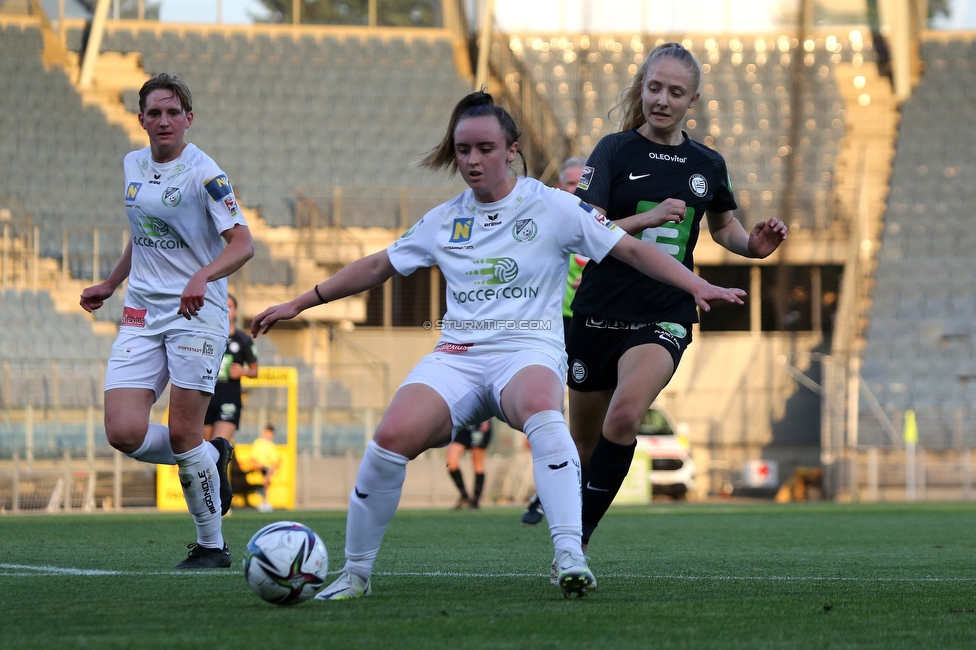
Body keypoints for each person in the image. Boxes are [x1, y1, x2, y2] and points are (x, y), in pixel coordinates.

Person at [251, 90, 744, 600]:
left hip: (529, 349)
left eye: (484, 148)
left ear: (511, 149)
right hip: (457, 356)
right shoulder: (445, 219)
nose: (471, 160)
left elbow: (633, 252)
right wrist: (301, 302)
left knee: (542, 410)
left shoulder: (554, 206)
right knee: (390, 436)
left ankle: (571, 556)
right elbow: (379, 264)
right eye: (463, 150)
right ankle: (354, 575)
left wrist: (695, 284)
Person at [567, 42, 788, 552]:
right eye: (654, 87)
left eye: (675, 92)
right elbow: (583, 229)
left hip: (663, 315)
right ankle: (572, 526)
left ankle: (576, 539)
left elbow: (724, 227)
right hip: (598, 311)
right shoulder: (614, 150)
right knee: (583, 444)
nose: (662, 99)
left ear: (693, 100)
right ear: (642, 87)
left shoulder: (707, 163)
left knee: (623, 415)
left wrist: (753, 247)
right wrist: (644, 217)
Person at [80, 73, 254, 569]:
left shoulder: (205, 172)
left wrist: (203, 276)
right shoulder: (131, 163)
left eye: (172, 112)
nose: (163, 121)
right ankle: (212, 455)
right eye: (154, 113)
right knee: (124, 431)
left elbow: (243, 243)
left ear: (188, 119)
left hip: (195, 315)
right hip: (141, 312)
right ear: (140, 119)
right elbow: (143, 232)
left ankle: (212, 546)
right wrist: (111, 284)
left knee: (182, 434)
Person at [521, 156, 587, 526]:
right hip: (550, 328)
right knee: (550, 412)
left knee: (584, 413)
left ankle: (571, 487)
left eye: (582, 183)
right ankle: (549, 490)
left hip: (592, 326)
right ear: (559, 187)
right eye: (569, 183)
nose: (575, 190)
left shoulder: (604, 226)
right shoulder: (546, 224)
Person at [204, 293, 258, 443]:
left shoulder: (243, 340)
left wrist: (243, 372)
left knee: (217, 445)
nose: (226, 311)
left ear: (235, 311)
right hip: (205, 398)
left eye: (230, 307)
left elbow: (255, 371)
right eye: (223, 307)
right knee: (202, 448)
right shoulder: (207, 336)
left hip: (229, 400)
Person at [446, 420, 492, 510]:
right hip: (462, 425)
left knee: (477, 463)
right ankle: (464, 496)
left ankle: (475, 501)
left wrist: (486, 420)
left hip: (478, 424)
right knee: (451, 461)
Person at [244, 424, 281, 513]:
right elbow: (253, 458)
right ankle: (263, 500)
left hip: (266, 469)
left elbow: (276, 460)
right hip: (257, 469)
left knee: (268, 474)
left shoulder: (271, 445)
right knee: (265, 475)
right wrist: (259, 465)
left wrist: (273, 468)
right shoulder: (258, 443)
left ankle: (264, 501)